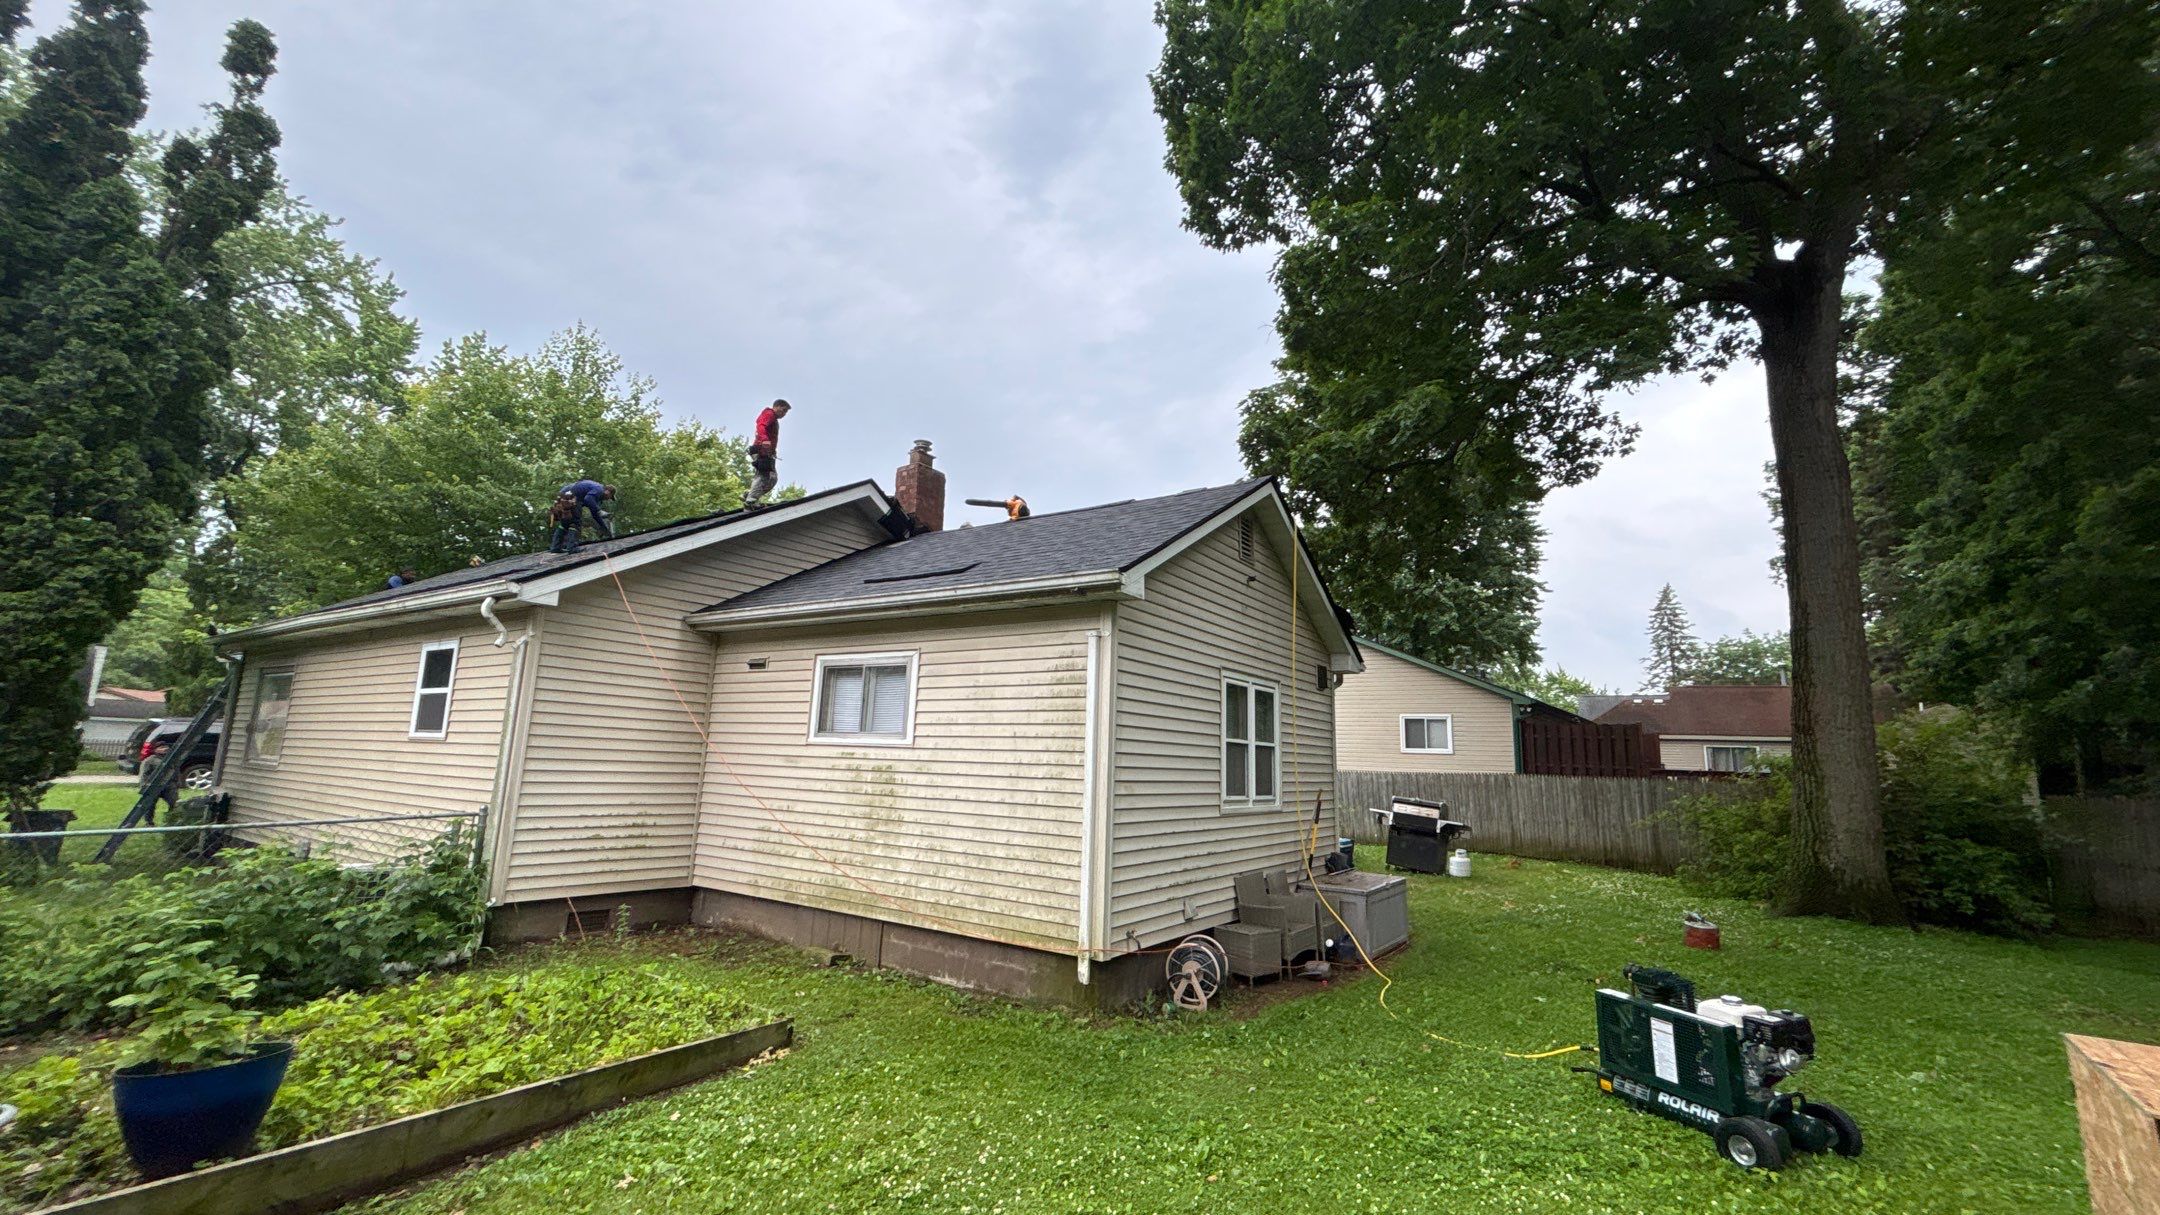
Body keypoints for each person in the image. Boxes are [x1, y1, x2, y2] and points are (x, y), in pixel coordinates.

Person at [745, 398, 790, 507]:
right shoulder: (769, 413)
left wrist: (773, 451)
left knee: (765, 476)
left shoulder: (774, 419)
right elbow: (760, 425)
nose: (784, 414)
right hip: (762, 450)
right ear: (777, 407)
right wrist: (765, 440)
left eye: (786, 412)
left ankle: (749, 495)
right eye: (783, 410)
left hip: (767, 451)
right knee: (768, 476)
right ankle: (751, 500)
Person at [559, 479, 615, 546]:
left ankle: (557, 547)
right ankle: (572, 546)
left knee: (566, 522)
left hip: (564, 495)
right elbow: (588, 499)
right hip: (570, 495)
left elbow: (595, 514)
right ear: (608, 492)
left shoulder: (596, 495)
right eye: (610, 497)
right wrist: (599, 510)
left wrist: (604, 528)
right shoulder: (599, 490)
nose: (608, 499)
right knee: (576, 522)